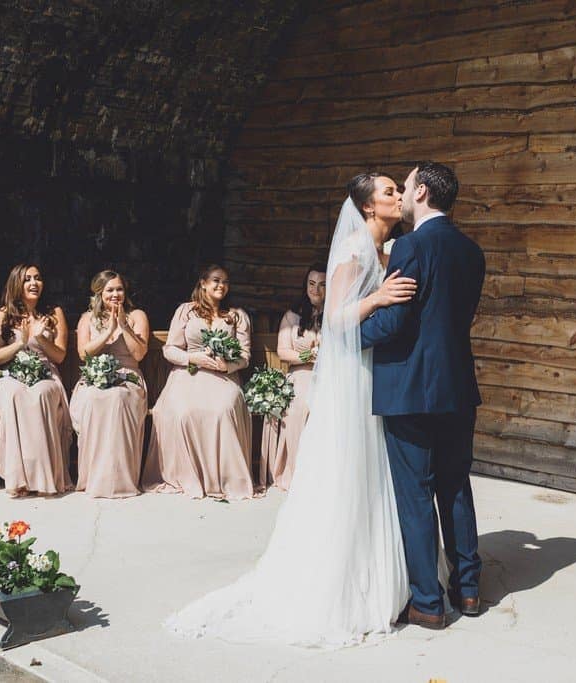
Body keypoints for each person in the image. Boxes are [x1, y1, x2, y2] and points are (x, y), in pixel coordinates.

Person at [165, 173, 418, 647]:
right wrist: (378, 297)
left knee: (379, 471)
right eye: (389, 191)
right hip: (355, 375)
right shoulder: (354, 252)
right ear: (367, 207)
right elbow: (339, 318)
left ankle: (389, 573)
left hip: (379, 370)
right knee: (349, 470)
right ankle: (344, 582)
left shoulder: (391, 249)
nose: (398, 196)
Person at [361, 161, 486, 627]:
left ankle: (428, 604)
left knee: (415, 494)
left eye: (408, 184)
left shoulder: (412, 246)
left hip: (411, 388)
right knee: (455, 485)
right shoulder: (473, 253)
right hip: (457, 386)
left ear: (423, 193)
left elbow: (396, 320)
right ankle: (469, 589)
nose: (404, 191)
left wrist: (344, 335)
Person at [141, 264, 255, 500]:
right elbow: (169, 349)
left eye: (225, 281)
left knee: (222, 411)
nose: (220, 285)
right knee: (182, 411)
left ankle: (221, 478)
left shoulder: (236, 316)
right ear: (203, 283)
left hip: (223, 376)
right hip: (188, 373)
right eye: (215, 280)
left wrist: (228, 365)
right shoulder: (186, 312)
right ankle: (187, 474)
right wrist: (193, 357)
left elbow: (244, 356)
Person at [0, 263, 72, 497]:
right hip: (13, 372)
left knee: (42, 394)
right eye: (27, 279)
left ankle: (44, 476)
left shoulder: (54, 313)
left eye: (37, 278)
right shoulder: (4, 314)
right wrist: (20, 342)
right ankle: (19, 478)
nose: (34, 283)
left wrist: (39, 338)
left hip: (45, 371)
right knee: (14, 394)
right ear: (17, 283)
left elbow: (60, 355)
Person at [69, 270, 150, 498]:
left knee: (118, 398)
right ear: (99, 293)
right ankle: (95, 477)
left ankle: (121, 480)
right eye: (110, 290)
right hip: (95, 377)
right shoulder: (87, 319)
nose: (116, 294)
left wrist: (123, 326)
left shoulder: (137, 316)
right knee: (95, 398)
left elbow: (139, 354)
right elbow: (84, 354)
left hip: (128, 377)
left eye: (119, 289)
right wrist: (108, 332)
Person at [260, 263, 326, 491]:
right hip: (300, 373)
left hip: (329, 375)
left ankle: (324, 472)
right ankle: (298, 471)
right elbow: (283, 352)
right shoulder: (292, 316)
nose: (316, 290)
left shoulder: (335, 314)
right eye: (311, 283)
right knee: (300, 407)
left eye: (322, 284)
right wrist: (309, 356)